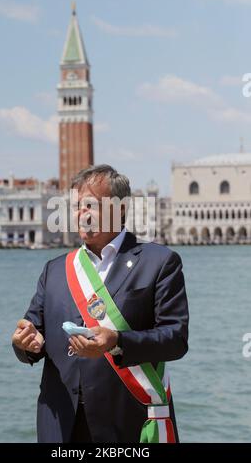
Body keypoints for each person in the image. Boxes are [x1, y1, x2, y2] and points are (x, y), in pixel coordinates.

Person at [12, 164, 189, 443]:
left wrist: (117, 341)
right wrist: (26, 344)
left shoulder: (160, 262)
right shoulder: (54, 270)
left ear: (119, 208)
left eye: (90, 205)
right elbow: (33, 335)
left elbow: (175, 339)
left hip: (127, 423)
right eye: (77, 207)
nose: (82, 214)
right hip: (59, 424)